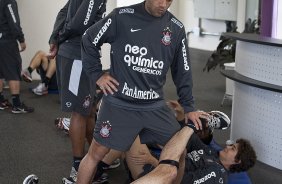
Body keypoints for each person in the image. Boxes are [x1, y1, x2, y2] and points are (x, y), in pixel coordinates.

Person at [77, 1, 207, 183]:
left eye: (169, 0)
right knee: (95, 153)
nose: (164, 4)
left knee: (179, 151)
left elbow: (183, 71)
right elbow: (88, 39)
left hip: (153, 105)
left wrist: (189, 106)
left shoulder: (176, 28)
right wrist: (97, 74)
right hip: (119, 103)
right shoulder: (121, 16)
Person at [48, 0, 108, 183]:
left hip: (84, 56)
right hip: (76, 56)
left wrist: (55, 37)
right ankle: (77, 168)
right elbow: (79, 22)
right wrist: (59, 36)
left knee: (89, 111)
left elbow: (64, 11)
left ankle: (93, 162)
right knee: (80, 113)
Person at [132, 121, 257, 184]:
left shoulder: (217, 173)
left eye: (233, 148)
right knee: (127, 134)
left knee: (130, 135)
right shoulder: (212, 153)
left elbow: (179, 182)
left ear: (237, 160)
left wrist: (154, 161)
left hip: (158, 174)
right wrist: (183, 117)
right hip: (159, 164)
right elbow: (192, 139)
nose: (228, 146)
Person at [0, 0, 34, 113]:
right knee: (13, 70)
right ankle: (16, 105)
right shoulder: (9, 1)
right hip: (6, 41)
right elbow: (14, 21)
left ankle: (1, 101)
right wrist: (21, 39)